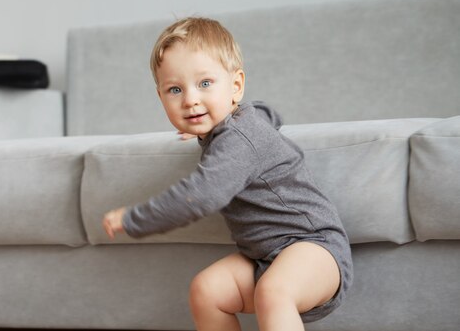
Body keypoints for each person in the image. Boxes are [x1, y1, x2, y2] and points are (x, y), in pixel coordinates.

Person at [102, 17, 353, 331]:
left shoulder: (238, 139)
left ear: (235, 86)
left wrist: (133, 218)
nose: (191, 99)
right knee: (206, 291)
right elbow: (266, 113)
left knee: (274, 292)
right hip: (263, 257)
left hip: (315, 248)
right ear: (161, 97)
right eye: (175, 90)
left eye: (205, 84)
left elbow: (201, 195)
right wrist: (207, 126)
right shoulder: (238, 125)